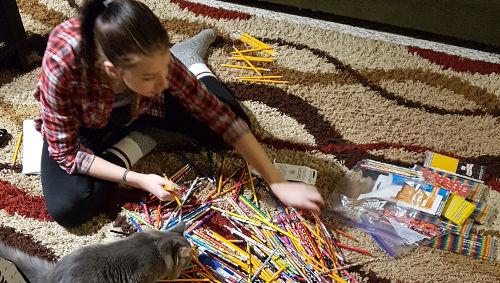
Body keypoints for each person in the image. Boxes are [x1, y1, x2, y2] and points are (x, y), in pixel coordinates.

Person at [34, 0, 324, 227]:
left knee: (231, 128)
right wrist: (138, 179)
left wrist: (277, 182)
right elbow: (68, 154)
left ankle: (192, 61)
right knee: (70, 207)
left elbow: (222, 119)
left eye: (165, 68)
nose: (164, 82)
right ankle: (139, 141)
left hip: (146, 105)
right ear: (112, 71)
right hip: (90, 124)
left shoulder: (154, 65)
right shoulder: (62, 68)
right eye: (150, 77)